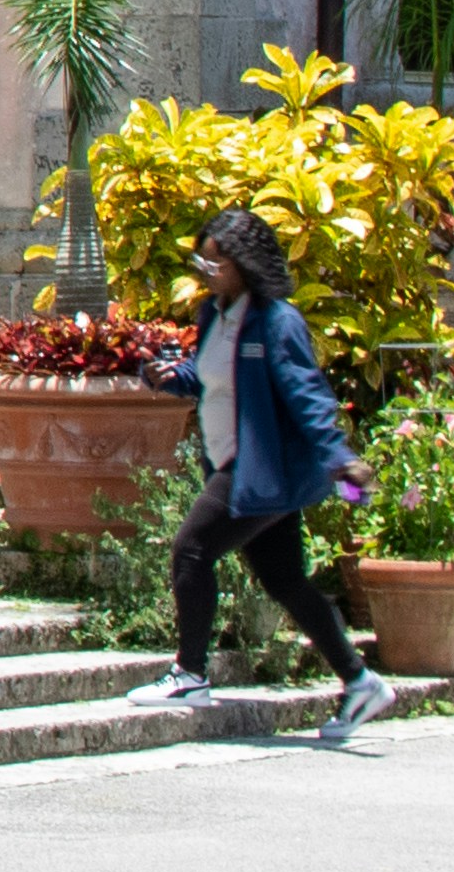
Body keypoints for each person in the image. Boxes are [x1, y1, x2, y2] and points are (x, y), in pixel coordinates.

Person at [120, 205, 397, 741]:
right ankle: (361, 682)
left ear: (246, 263)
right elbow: (209, 378)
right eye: (202, 262)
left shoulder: (275, 320)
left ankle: (190, 675)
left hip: (261, 470)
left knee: (192, 550)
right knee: (284, 580)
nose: (207, 272)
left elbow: (306, 393)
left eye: (217, 263)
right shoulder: (215, 314)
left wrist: (340, 458)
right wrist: (168, 376)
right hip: (239, 467)